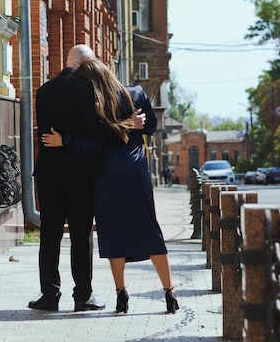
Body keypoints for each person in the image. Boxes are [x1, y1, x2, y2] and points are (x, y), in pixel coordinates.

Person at [42, 58, 179, 315]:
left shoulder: (96, 107)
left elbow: (94, 145)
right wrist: (134, 124)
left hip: (106, 175)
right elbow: (151, 126)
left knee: (113, 234)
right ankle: (169, 293)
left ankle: (121, 294)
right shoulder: (136, 92)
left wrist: (65, 141)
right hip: (135, 171)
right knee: (150, 230)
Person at [29, 44, 144, 312]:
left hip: (47, 172)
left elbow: (45, 134)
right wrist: (127, 125)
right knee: (81, 236)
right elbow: (97, 131)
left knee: (50, 235)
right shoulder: (86, 89)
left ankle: (49, 296)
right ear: (86, 63)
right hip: (80, 174)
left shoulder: (44, 89)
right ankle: (83, 296)